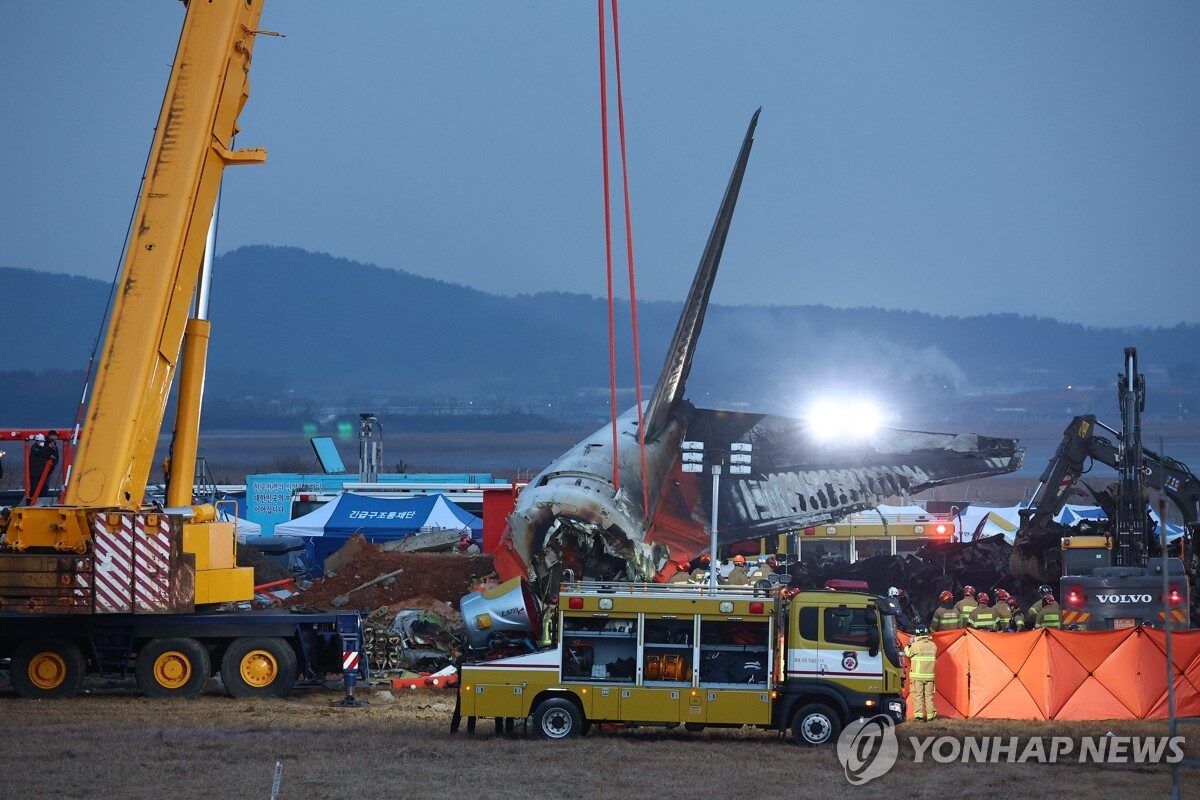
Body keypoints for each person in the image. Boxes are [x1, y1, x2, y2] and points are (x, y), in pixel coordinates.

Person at [904, 624, 937, 721]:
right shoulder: (933, 645)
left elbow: (908, 653)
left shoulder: (916, 645)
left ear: (917, 634)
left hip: (917, 676)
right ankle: (931, 716)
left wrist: (909, 644)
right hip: (930, 677)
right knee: (929, 696)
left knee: (918, 696)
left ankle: (919, 716)